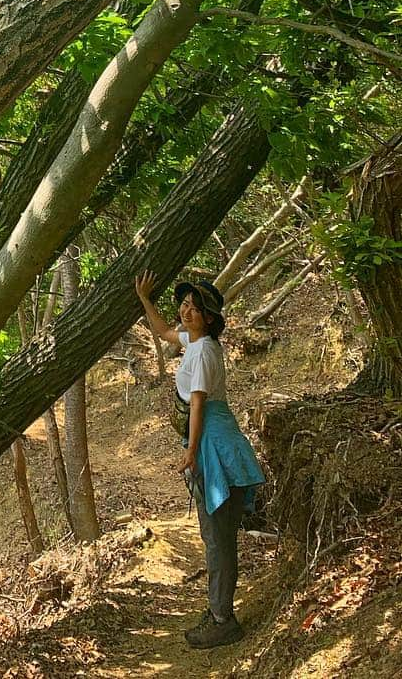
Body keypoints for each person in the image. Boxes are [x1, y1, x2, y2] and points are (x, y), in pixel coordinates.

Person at [134, 270, 264, 650]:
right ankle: (219, 611)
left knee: (218, 541)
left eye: (195, 308)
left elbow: (198, 403)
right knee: (215, 537)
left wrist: (191, 452)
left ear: (210, 318)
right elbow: (162, 332)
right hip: (211, 443)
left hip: (215, 447)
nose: (186, 311)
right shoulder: (193, 341)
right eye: (185, 304)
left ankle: (223, 620)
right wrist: (144, 299)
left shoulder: (205, 349)